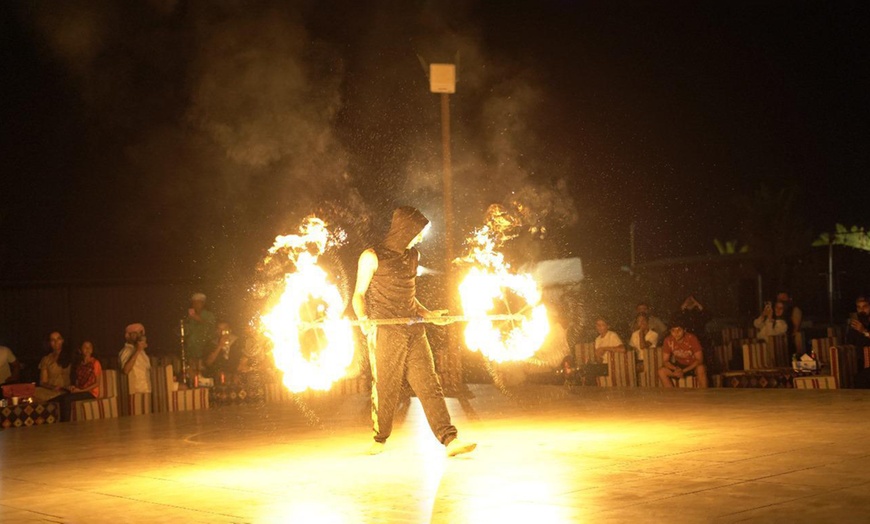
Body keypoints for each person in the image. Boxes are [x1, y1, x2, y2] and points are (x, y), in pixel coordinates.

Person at [352, 206, 476, 457]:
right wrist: (364, 319)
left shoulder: (413, 256)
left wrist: (428, 315)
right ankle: (380, 438)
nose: (420, 237)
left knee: (429, 385)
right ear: (405, 229)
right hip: (386, 332)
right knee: (386, 387)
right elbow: (358, 295)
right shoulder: (371, 256)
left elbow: (409, 297)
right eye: (418, 232)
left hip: (414, 330)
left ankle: (450, 439)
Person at [57, 340, 103, 422]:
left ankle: (65, 424)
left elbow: (97, 383)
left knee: (67, 399)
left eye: (89, 347)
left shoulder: (95, 363)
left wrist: (81, 390)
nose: (87, 349)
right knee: (61, 397)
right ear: (80, 350)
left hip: (90, 392)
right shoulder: (80, 364)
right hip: (81, 391)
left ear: (92, 350)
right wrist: (74, 388)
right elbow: (78, 381)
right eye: (85, 347)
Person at [658, 317, 709, 388]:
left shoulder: (692, 338)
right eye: (673, 330)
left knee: (701, 368)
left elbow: (699, 360)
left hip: (692, 366)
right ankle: (671, 393)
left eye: (679, 330)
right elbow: (665, 361)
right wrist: (676, 369)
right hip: (679, 366)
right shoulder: (668, 340)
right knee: (661, 371)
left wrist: (683, 371)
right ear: (670, 331)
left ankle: (704, 393)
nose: (676, 333)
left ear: (684, 330)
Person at [35, 331, 71, 403]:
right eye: (52, 340)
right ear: (49, 343)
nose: (56, 342)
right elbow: (43, 382)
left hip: (67, 391)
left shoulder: (71, 356)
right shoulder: (46, 359)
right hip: (52, 391)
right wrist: (53, 387)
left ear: (63, 340)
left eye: (58, 339)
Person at [184, 292, 217, 372]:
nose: (195, 305)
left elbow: (212, 329)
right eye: (194, 303)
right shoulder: (190, 316)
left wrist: (198, 319)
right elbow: (187, 331)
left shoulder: (209, 315)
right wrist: (187, 320)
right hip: (191, 350)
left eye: (198, 303)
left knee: (203, 371)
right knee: (192, 371)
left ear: (203, 303)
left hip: (204, 349)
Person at [119, 323, 151, 395]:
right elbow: (126, 370)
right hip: (135, 393)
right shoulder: (126, 351)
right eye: (136, 333)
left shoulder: (142, 352)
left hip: (146, 390)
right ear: (127, 336)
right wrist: (138, 351)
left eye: (141, 333)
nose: (140, 335)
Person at [846, 297, 870, 388]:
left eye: (865, 307)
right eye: (859, 307)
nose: (861, 310)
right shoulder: (855, 325)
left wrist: (864, 331)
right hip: (859, 362)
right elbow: (849, 344)